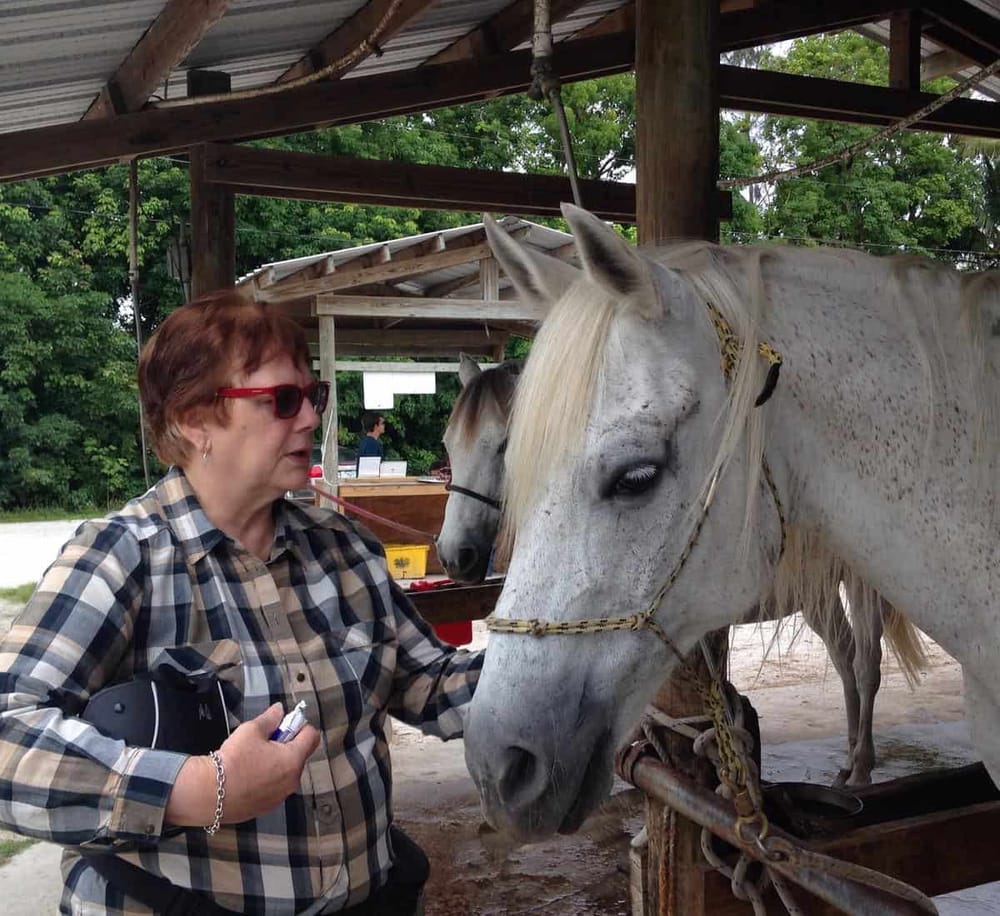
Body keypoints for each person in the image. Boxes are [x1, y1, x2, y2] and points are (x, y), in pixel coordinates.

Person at [0, 290, 483, 915]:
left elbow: (432, 683)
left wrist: (575, 662)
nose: (310, 418)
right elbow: (8, 734)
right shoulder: (124, 556)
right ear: (194, 419)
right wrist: (198, 790)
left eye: (315, 396)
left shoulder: (343, 549)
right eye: (283, 400)